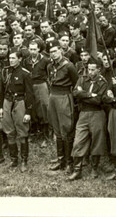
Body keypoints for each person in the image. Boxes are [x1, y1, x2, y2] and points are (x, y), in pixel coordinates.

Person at [68, 55, 107, 180]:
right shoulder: (82, 79)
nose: (90, 72)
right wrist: (90, 94)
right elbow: (75, 93)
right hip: (83, 114)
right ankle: (77, 170)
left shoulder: (103, 82)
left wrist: (82, 94)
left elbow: (98, 100)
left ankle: (94, 168)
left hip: (97, 114)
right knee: (78, 140)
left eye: (93, 69)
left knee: (97, 141)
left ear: (99, 69)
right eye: (89, 69)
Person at [1, 51, 35, 172]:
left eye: (13, 58)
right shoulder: (5, 71)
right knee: (9, 131)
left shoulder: (25, 74)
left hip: (20, 102)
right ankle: (13, 160)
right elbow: (2, 89)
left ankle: (24, 161)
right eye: (9, 58)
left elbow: (30, 94)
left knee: (22, 132)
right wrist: (1, 106)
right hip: (7, 102)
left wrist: (28, 112)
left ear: (20, 59)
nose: (11, 60)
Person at [47, 43, 78, 173]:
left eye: (55, 51)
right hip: (53, 96)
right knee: (57, 129)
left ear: (61, 51)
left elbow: (76, 83)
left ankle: (70, 162)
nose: (53, 54)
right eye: (51, 52)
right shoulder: (50, 66)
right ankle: (61, 160)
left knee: (66, 128)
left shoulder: (69, 66)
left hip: (64, 96)